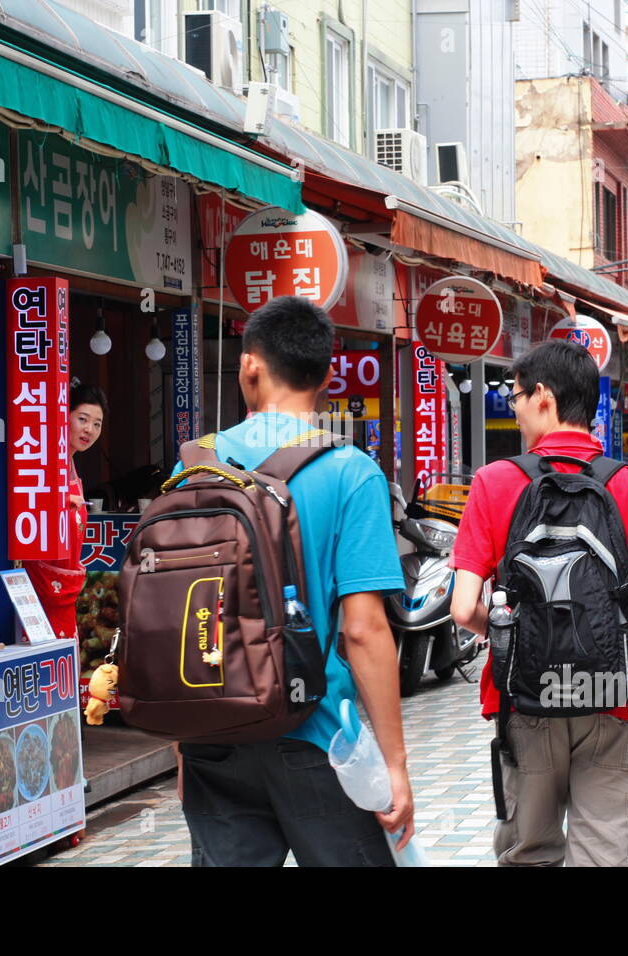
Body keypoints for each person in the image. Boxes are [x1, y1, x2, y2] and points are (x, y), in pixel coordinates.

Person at [172, 295, 412, 866]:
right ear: (328, 374)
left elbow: (183, 607)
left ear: (249, 365)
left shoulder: (194, 463)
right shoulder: (351, 470)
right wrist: (395, 764)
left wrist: (185, 747)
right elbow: (363, 630)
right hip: (319, 734)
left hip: (214, 734)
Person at [448, 340, 628, 867]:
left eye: (514, 396)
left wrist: (517, 635)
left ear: (541, 396)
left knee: (529, 852)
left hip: (524, 696)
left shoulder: (493, 483)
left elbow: (464, 607)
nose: (512, 408)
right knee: (611, 852)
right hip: (614, 697)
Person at [22, 381, 106, 642]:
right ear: (64, 416)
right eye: (82, 419)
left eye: (97, 424)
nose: (89, 430)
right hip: (41, 593)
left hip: (62, 596)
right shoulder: (43, 462)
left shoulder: (68, 462)